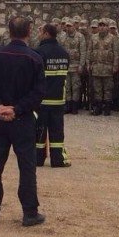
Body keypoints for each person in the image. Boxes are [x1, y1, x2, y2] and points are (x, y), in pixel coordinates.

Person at [0, 16, 46, 227]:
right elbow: (39, 92)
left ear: (9, 31)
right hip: (22, 119)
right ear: (28, 31)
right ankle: (29, 212)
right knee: (27, 166)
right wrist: (17, 109)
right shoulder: (34, 58)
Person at [35, 23, 70, 167]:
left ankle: (38, 159)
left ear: (46, 34)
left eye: (40, 31)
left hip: (42, 100)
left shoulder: (38, 52)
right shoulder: (64, 53)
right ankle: (57, 160)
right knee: (57, 132)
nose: (38, 33)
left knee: (39, 131)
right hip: (58, 100)